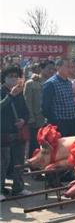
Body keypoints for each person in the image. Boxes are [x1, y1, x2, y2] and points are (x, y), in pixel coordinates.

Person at [1, 66, 31, 199]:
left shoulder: (20, 92)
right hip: (4, 132)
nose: (13, 78)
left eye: (15, 76)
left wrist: (24, 120)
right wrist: (11, 95)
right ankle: (0, 190)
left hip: (18, 132)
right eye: (10, 76)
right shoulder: (2, 91)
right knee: (3, 163)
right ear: (4, 78)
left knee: (19, 162)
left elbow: (26, 111)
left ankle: (18, 187)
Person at [24, 60, 55, 159]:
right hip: (37, 119)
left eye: (53, 69)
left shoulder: (54, 83)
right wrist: (31, 118)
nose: (51, 71)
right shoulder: (31, 83)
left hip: (51, 119)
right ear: (41, 69)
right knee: (34, 146)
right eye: (49, 68)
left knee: (50, 146)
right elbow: (27, 102)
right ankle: (34, 170)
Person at [41, 59, 75, 136]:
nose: (70, 70)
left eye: (71, 67)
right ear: (58, 67)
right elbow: (45, 107)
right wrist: (54, 122)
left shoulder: (68, 83)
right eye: (67, 67)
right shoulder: (51, 83)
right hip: (59, 123)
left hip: (71, 121)